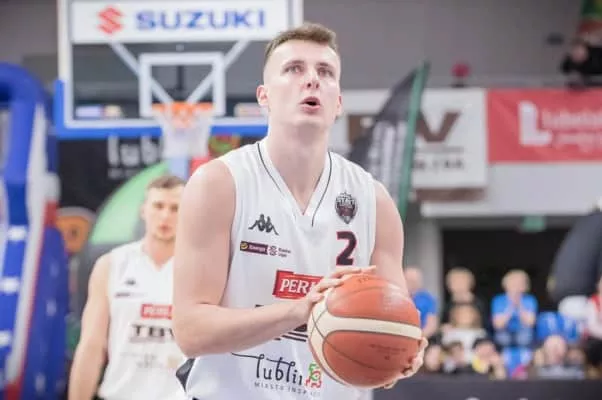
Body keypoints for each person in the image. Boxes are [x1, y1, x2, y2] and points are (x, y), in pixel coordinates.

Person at [172, 22, 427, 400]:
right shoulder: (220, 184)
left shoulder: (374, 201)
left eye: (326, 72)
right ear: (264, 96)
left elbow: (395, 322)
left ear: (338, 102)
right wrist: (300, 310)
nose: (312, 80)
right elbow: (191, 330)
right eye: (294, 69)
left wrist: (402, 350)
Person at [68, 175, 186, 400]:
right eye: (158, 206)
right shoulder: (112, 264)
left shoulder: (198, 269)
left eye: (175, 208)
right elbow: (91, 345)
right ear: (143, 210)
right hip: (120, 393)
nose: (165, 216)